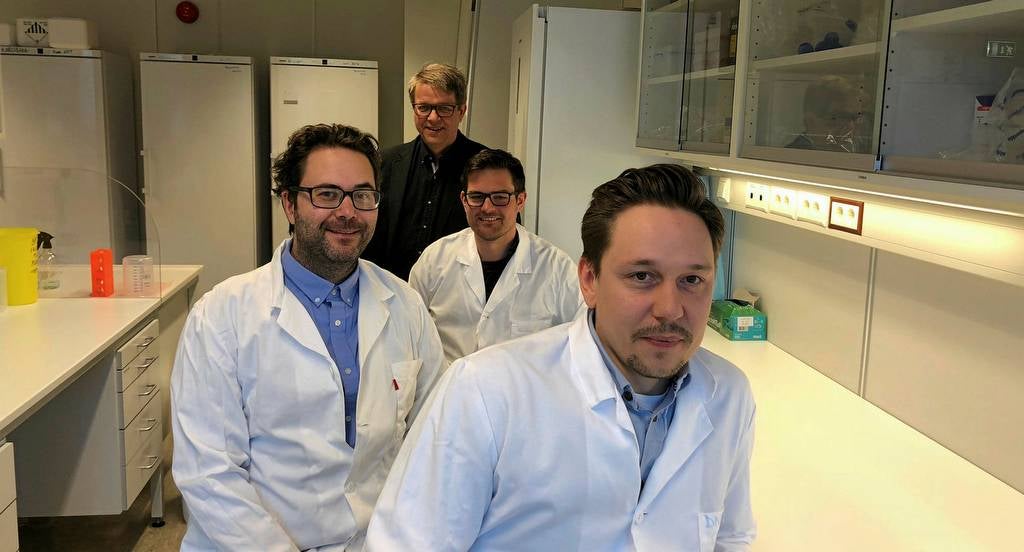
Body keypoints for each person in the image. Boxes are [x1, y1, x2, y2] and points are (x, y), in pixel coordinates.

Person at [365, 164, 757, 551]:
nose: (670, 309)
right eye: (642, 276)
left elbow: (729, 538)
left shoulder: (728, 395)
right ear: (589, 280)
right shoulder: (483, 392)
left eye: (692, 280)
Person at [171, 123, 447, 551]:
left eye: (363, 195)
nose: (348, 212)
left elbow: (436, 435)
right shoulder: (222, 316)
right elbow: (209, 472)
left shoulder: (405, 305)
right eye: (327, 194)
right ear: (289, 204)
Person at [408, 149, 585, 362]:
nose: (487, 207)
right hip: (448, 382)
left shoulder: (557, 269)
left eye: (500, 197)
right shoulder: (434, 260)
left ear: (520, 200)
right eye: (476, 197)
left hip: (522, 384)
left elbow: (582, 341)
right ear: (464, 200)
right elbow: (409, 333)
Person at [363, 62, 488, 280]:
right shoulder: (385, 163)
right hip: (393, 290)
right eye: (424, 108)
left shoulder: (489, 168)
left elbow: (505, 235)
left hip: (459, 292)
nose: (432, 118)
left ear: (461, 111)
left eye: (444, 108)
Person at [786, 75, 867, 153]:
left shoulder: (856, 153)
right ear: (810, 121)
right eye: (839, 117)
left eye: (855, 118)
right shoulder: (791, 157)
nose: (850, 126)